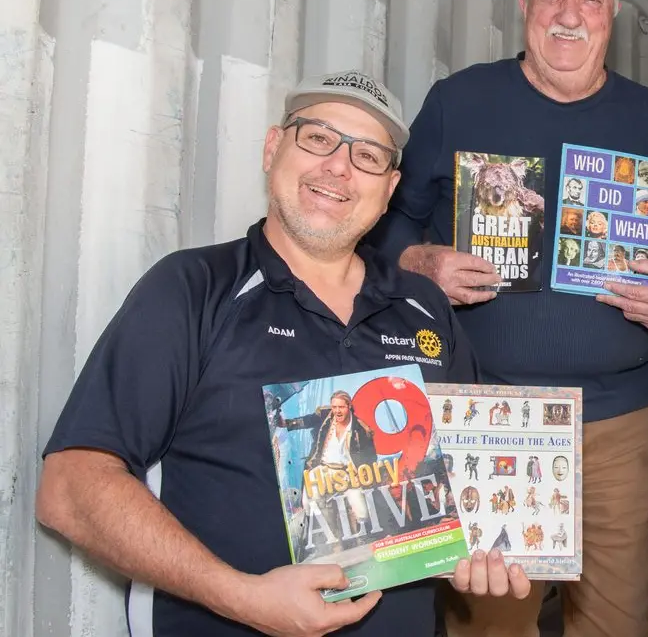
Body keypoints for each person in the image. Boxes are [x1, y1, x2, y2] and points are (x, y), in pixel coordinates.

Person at [35, 70, 531, 637]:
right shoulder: (192, 289)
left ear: (391, 189)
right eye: (318, 138)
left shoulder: (423, 306)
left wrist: (485, 543)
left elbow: (473, 478)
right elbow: (70, 489)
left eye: (368, 155)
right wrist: (241, 596)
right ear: (274, 147)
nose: (339, 168)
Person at [368, 0, 648, 637]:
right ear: (525, 5)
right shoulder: (458, 100)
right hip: (488, 417)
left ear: (612, 15)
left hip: (619, 424)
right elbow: (385, 222)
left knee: (616, 621)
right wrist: (422, 262)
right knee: (491, 624)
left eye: (590, 0)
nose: (569, 14)